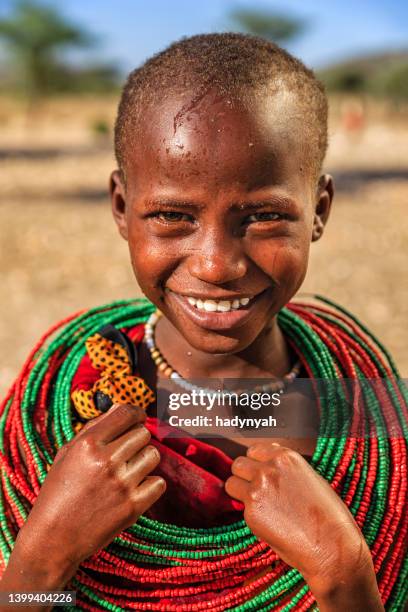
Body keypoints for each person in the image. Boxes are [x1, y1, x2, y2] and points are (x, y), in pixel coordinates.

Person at [0, 33, 406, 612]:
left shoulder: (373, 421)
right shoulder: (51, 412)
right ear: (121, 207)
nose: (218, 264)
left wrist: (343, 573)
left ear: (318, 211)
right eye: (171, 215)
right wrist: (44, 558)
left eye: (265, 216)